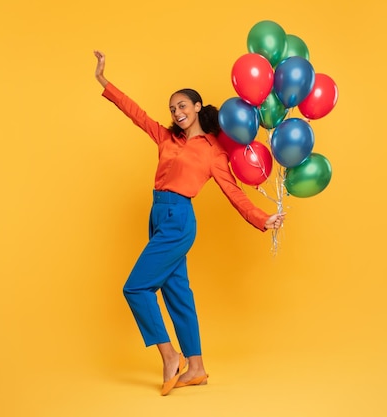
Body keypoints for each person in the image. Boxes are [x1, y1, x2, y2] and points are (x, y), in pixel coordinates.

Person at [93, 50, 286, 396]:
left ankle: (170, 357)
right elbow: (135, 113)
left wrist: (263, 218)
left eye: (182, 106)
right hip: (158, 214)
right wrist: (104, 80)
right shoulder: (166, 138)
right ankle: (196, 368)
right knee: (178, 294)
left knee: (135, 288)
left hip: (179, 219)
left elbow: (234, 193)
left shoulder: (212, 151)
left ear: (198, 107)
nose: (176, 113)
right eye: (172, 108)